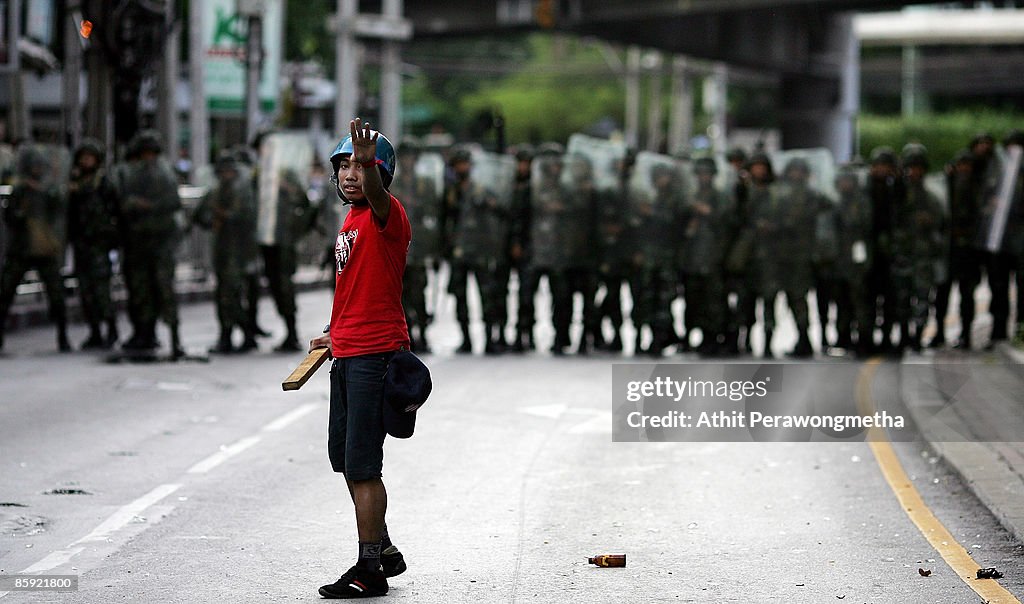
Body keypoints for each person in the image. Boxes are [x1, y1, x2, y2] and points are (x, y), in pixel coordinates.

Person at [309, 119, 411, 599]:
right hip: (348, 351)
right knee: (345, 461)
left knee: (364, 465)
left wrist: (370, 167)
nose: (351, 173)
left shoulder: (386, 216)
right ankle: (385, 548)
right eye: (344, 165)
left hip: (376, 355)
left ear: (381, 173)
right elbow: (353, 289)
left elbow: (374, 192)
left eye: (361, 165)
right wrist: (333, 333)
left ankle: (370, 568)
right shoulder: (349, 222)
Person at [113, 130, 184, 357]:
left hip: (161, 242)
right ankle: (144, 334)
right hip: (137, 242)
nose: (148, 158)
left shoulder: (163, 173)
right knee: (140, 290)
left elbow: (173, 202)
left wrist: (146, 206)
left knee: (163, 289)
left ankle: (174, 338)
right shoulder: (131, 173)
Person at [0, 146, 70, 352]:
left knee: (56, 295)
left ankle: (63, 336)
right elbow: (11, 217)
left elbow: (58, 209)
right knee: (5, 293)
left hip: (45, 249)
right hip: (21, 249)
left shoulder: (48, 190)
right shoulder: (20, 190)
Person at [192, 152, 258, 353]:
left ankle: (247, 333)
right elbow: (198, 215)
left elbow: (247, 217)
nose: (226, 175)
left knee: (232, 294)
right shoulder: (215, 193)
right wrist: (212, 221)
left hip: (238, 252)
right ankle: (226, 335)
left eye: (230, 172)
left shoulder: (242, 193)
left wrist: (226, 217)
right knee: (223, 295)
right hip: (222, 249)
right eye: (223, 172)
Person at [891, 144, 946, 352]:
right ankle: (904, 335)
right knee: (902, 299)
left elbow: (940, 224)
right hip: (903, 255)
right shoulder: (898, 194)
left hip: (923, 256)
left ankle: (917, 336)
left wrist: (928, 224)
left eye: (918, 167)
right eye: (910, 167)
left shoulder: (931, 197)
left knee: (923, 299)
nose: (914, 172)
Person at [67, 138, 120, 349]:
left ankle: (111, 329)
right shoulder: (75, 182)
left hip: (99, 244)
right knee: (86, 291)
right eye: (83, 157)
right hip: (82, 244)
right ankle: (95, 332)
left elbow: (115, 211)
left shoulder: (103, 183)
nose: (86, 161)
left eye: (90, 157)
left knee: (101, 291)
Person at [680, 157, 731, 356]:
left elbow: (727, 222)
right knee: (694, 300)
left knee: (714, 302)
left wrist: (708, 213)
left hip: (713, 258)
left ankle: (714, 337)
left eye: (707, 174)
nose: (703, 178)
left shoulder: (720, 197)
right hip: (692, 258)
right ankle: (697, 335)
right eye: (700, 174)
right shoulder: (690, 197)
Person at [932, 149, 981, 349]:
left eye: (967, 166)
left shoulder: (978, 189)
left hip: (969, 251)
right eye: (961, 165)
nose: (964, 169)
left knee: (967, 296)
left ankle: (966, 334)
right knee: (941, 295)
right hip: (948, 250)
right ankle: (939, 332)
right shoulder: (946, 187)